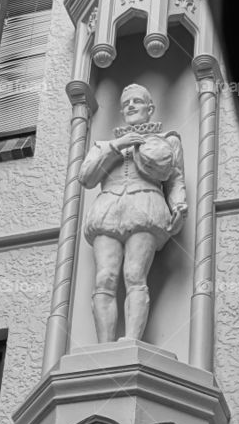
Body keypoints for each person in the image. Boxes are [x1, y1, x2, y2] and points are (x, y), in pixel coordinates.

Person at [78, 83, 187, 342]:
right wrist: (117, 146)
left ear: (150, 108)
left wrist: (179, 206)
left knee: (134, 275)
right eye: (126, 103)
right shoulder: (104, 145)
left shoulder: (167, 140)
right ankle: (104, 344)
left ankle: (132, 339)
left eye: (137, 101)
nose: (130, 106)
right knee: (105, 278)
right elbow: (86, 177)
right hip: (107, 210)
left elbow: (175, 179)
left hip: (145, 207)